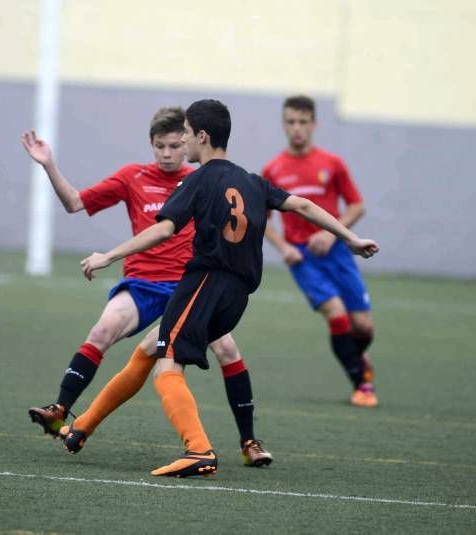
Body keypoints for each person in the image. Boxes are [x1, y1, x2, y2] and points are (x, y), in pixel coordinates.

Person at [79, 98, 378, 477]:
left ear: (201, 136)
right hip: (237, 297)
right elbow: (302, 206)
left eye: (185, 134)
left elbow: (164, 228)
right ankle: (83, 426)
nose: (182, 142)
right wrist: (350, 238)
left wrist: (109, 255)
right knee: (149, 348)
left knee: (167, 366)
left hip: (205, 282)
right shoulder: (252, 181)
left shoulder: (198, 179)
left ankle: (198, 450)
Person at [21, 107, 273, 468]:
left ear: (189, 140)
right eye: (161, 146)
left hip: (189, 284)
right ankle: (59, 410)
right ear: (151, 145)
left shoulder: (203, 178)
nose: (169, 153)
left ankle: (249, 442)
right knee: (103, 329)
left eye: (175, 144)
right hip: (143, 283)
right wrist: (48, 165)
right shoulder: (132, 176)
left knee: (228, 350)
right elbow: (75, 202)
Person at [262, 95, 378, 408]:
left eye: (302, 122)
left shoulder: (332, 164)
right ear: (284, 125)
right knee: (336, 314)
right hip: (303, 258)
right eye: (291, 122)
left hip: (338, 252)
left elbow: (357, 205)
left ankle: (357, 356)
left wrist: (331, 233)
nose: (297, 128)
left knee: (364, 326)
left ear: (314, 125)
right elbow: (260, 219)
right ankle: (361, 385)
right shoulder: (273, 170)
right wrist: (283, 246)